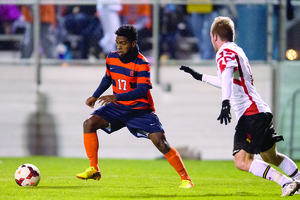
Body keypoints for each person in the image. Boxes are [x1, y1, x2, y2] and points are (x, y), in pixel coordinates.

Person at [180, 16, 300, 196]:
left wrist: (225, 102)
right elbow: (227, 81)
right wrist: (200, 77)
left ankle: (286, 183)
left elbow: (227, 73)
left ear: (214, 37)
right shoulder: (237, 50)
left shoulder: (224, 51)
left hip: (250, 113)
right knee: (270, 157)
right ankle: (298, 179)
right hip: (261, 111)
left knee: (242, 161)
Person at [76, 24, 194, 188]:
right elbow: (107, 78)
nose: (119, 46)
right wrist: (95, 96)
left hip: (140, 110)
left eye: (123, 43)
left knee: (161, 142)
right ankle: (94, 168)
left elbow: (142, 90)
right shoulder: (111, 57)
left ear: (132, 43)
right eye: (117, 42)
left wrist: (115, 96)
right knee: (89, 123)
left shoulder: (142, 63)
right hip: (118, 108)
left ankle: (186, 179)